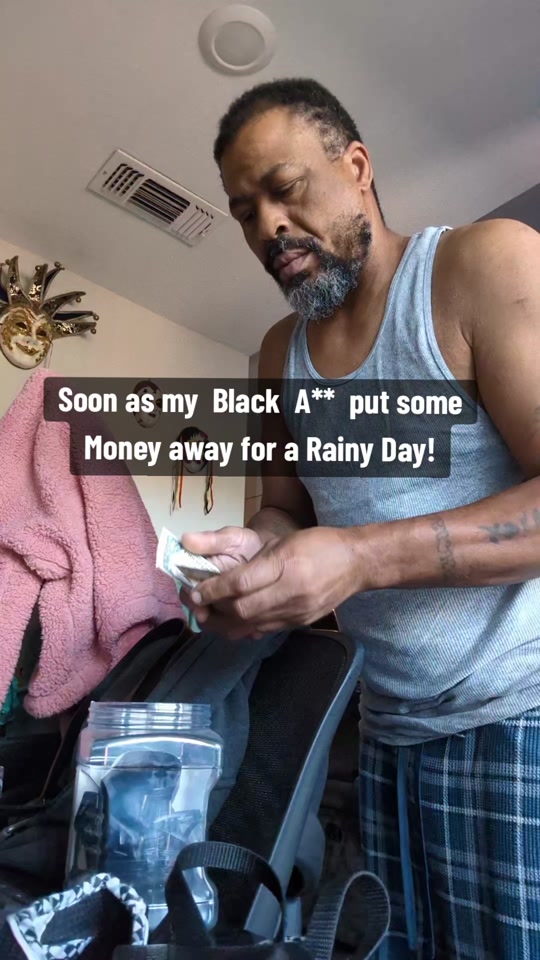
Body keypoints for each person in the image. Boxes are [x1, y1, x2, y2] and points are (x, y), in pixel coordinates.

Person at [181, 77, 540, 958]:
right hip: (385, 735)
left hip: (520, 717)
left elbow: (350, 550)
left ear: (357, 166)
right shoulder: (277, 355)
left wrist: (360, 558)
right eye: (244, 212)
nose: (267, 227)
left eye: (285, 188)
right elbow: (284, 511)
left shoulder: (482, 264)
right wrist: (252, 554)